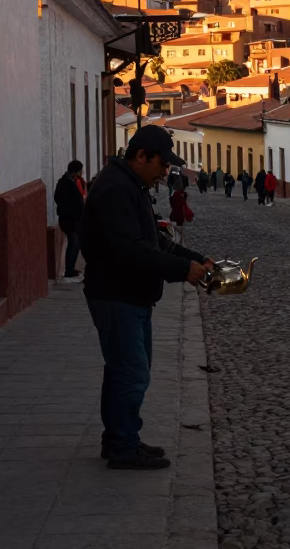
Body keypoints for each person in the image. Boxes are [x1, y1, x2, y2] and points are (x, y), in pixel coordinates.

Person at [80, 125, 213, 470]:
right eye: (162, 164)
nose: (165, 172)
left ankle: (120, 439)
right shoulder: (115, 190)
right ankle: (124, 445)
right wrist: (182, 270)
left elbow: (154, 240)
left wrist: (194, 258)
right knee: (132, 372)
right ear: (141, 156)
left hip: (130, 294)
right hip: (116, 292)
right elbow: (132, 251)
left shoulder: (131, 186)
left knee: (124, 371)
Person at [54, 160, 87, 281]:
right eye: (80, 170)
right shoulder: (68, 183)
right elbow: (72, 201)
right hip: (70, 220)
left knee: (74, 243)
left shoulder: (66, 182)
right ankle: (69, 271)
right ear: (76, 171)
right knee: (74, 243)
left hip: (68, 219)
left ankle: (70, 269)